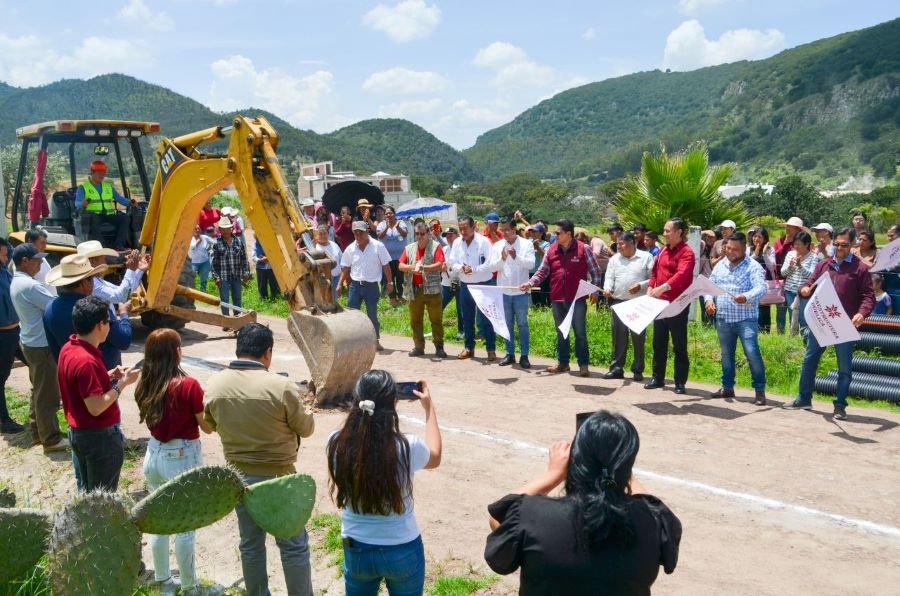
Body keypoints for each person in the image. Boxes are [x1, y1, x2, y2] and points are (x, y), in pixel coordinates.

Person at [485, 410, 681, 595]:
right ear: (629, 461)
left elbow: (497, 518)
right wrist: (620, 470)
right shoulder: (655, 520)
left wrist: (553, 475)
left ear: (575, 459)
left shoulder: (532, 515)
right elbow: (652, 507)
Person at [204, 323, 315, 596]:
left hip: (238, 478)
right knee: (292, 544)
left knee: (250, 544)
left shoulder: (215, 384)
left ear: (238, 348)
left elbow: (209, 424)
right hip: (280, 478)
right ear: (268, 353)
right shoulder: (281, 386)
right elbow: (306, 429)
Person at [327, 370, 441, 595]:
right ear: (393, 402)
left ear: (356, 401)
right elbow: (435, 456)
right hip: (402, 546)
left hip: (356, 545)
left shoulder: (335, 442)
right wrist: (429, 410)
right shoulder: (408, 446)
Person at [135, 328, 214, 595]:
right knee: (185, 525)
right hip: (181, 456)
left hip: (154, 454)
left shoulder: (146, 383)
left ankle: (164, 584)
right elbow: (207, 427)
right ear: (176, 352)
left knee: (159, 522)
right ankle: (191, 588)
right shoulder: (188, 385)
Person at [783, 228, 875, 420]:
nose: (840, 248)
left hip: (844, 325)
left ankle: (840, 406)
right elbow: (808, 283)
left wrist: (862, 313)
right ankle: (803, 398)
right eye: (837, 244)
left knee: (844, 368)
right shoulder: (825, 264)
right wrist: (805, 289)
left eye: (844, 245)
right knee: (809, 360)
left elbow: (869, 297)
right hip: (821, 322)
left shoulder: (861, 269)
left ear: (853, 245)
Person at [58, 295, 140, 491]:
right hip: (98, 438)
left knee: (86, 493)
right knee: (102, 500)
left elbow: (80, 384)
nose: (110, 327)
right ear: (100, 325)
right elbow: (96, 407)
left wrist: (107, 376)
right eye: (109, 322)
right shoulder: (87, 361)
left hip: (79, 433)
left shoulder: (69, 348)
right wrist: (122, 383)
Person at [522, 219, 602, 377]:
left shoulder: (583, 249)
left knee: (580, 333)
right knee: (561, 332)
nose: (555, 235)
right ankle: (563, 363)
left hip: (577, 299)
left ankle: (583, 365)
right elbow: (542, 271)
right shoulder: (552, 250)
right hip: (557, 297)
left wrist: (595, 290)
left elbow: (596, 271)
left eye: (558, 233)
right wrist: (530, 283)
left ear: (568, 234)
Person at [9, 243, 68, 452]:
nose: (40, 263)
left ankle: (37, 431)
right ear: (24, 261)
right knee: (48, 395)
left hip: (30, 341)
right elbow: (55, 305)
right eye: (37, 260)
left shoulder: (19, 282)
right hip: (41, 345)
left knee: (38, 390)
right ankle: (50, 439)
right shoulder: (30, 286)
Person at [704, 232, 768, 405]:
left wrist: (746, 296)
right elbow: (709, 286)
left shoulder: (753, 266)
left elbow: (762, 288)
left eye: (735, 250)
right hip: (723, 317)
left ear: (744, 249)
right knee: (726, 355)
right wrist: (709, 301)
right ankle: (727, 387)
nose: (730, 252)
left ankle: (760, 390)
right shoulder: (720, 265)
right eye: (728, 248)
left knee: (752, 352)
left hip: (746, 319)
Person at [645, 218, 696, 394]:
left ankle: (680, 382)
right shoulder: (662, 250)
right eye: (664, 231)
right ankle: (657, 378)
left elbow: (682, 275)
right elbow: (655, 271)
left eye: (668, 231)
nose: (664, 234)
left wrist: (663, 287)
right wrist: (651, 287)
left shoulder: (687, 252)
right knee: (658, 342)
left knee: (679, 344)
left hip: (677, 305)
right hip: (658, 304)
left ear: (679, 232)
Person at [602, 232, 653, 381]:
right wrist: (607, 288)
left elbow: (653, 278)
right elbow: (609, 276)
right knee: (618, 336)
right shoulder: (614, 259)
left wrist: (641, 285)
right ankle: (617, 368)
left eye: (622, 244)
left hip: (638, 303)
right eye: (618, 244)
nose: (619, 247)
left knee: (638, 336)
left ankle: (638, 370)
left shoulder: (645, 257)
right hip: (618, 301)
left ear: (632, 243)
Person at [447, 216, 497, 360]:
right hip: (466, 285)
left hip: (483, 284)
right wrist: (461, 268)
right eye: (460, 228)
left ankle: (491, 349)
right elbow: (452, 261)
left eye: (465, 228)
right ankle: (469, 348)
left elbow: (490, 264)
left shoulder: (484, 242)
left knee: (486, 318)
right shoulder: (457, 243)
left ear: (473, 227)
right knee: (467, 317)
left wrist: (474, 269)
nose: (463, 231)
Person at [490, 217, 536, 368]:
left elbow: (531, 264)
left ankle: (524, 355)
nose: (504, 233)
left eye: (507, 230)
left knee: (522, 324)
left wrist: (517, 256)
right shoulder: (497, 245)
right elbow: (492, 267)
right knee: (507, 324)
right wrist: (502, 259)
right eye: (502, 230)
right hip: (503, 292)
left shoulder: (526, 244)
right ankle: (510, 354)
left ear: (515, 229)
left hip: (521, 292)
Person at [340, 221, 393, 350]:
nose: (358, 235)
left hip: (371, 286)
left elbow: (386, 265)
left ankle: (375, 341)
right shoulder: (350, 248)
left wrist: (390, 282)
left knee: (372, 315)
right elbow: (346, 267)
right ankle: (353, 341)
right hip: (355, 286)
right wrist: (340, 284)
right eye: (356, 233)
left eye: (361, 232)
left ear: (367, 232)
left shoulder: (378, 246)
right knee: (352, 314)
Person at [398, 220, 446, 358]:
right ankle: (418, 346)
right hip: (414, 289)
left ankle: (439, 346)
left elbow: (439, 264)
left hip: (432, 290)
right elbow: (400, 265)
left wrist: (424, 268)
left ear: (429, 233)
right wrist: (412, 267)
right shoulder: (409, 248)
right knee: (415, 320)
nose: (419, 237)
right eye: (417, 234)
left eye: (422, 234)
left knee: (436, 320)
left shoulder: (436, 246)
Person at [76, 161, 136, 248]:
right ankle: (101, 246)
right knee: (93, 218)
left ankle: (119, 246)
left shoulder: (108, 187)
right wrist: (82, 204)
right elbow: (77, 203)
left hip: (109, 215)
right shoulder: (83, 188)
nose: (102, 176)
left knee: (125, 218)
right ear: (92, 173)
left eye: (103, 174)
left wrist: (130, 202)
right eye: (99, 173)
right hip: (94, 216)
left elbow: (120, 199)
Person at [0, 237, 25, 434]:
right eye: (2, 253)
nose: (6, 256)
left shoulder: (4, 271)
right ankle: (4, 420)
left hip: (14, 332)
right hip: (3, 334)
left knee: (36, 365)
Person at [211, 216, 250, 321]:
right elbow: (213, 262)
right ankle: (226, 321)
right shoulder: (216, 243)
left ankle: (237, 320)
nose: (225, 231)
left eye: (227, 228)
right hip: (223, 277)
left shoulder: (238, 241)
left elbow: (244, 259)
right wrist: (216, 277)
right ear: (220, 230)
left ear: (231, 228)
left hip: (236, 276)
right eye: (222, 229)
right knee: (224, 300)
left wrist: (246, 273)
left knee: (237, 299)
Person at [780, 231, 818, 336]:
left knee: (803, 315)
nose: (796, 246)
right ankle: (794, 336)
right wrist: (790, 267)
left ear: (806, 244)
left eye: (798, 244)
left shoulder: (813, 257)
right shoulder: (790, 254)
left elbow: (812, 276)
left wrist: (800, 266)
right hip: (790, 290)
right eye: (795, 243)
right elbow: (783, 273)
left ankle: (805, 336)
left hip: (804, 292)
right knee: (792, 313)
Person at [773, 217, 804, 334]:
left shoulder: (802, 244)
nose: (787, 229)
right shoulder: (779, 241)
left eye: (790, 227)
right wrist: (784, 244)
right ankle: (780, 332)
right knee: (781, 308)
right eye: (787, 226)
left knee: (794, 309)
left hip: (796, 281)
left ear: (798, 229)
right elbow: (774, 257)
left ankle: (794, 333)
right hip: (781, 279)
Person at [376, 206, 409, 305]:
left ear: (394, 214)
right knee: (388, 279)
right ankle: (393, 299)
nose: (388, 215)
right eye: (386, 214)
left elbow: (405, 234)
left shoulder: (401, 223)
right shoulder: (381, 225)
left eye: (390, 213)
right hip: (387, 258)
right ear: (384, 215)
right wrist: (387, 227)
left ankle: (402, 297)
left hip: (400, 258)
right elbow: (379, 236)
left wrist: (397, 227)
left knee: (400, 278)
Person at [749, 227, 777, 333]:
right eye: (755, 236)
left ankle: (765, 331)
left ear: (765, 239)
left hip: (766, 283)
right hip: (751, 283)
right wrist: (756, 254)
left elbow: (771, 267)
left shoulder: (770, 250)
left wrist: (764, 254)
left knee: (765, 307)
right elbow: (747, 264)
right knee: (752, 307)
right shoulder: (748, 249)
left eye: (759, 237)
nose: (756, 239)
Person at [440, 227, 463, 340]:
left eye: (451, 235)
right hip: (446, 282)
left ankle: (461, 331)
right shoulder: (444, 249)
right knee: (439, 305)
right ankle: (437, 329)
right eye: (446, 236)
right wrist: (441, 267)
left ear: (457, 235)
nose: (448, 238)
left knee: (461, 309)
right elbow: (439, 263)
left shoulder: (462, 249)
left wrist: (448, 267)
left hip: (459, 282)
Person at [311, 224, 342, 303]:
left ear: (328, 234)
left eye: (325, 233)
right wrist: (312, 247)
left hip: (336, 279)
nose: (323, 236)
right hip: (322, 281)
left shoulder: (334, 245)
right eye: (320, 234)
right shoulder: (314, 247)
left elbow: (341, 261)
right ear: (317, 235)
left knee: (334, 302)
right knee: (324, 302)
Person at [23, 228, 56, 295]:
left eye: (45, 243)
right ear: (30, 242)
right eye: (42, 243)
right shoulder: (24, 263)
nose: (45, 246)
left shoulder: (41, 257)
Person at [528, 224, 551, 307]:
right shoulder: (528, 243)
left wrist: (537, 247)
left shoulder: (546, 244)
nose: (533, 233)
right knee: (533, 294)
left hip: (542, 274)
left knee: (542, 294)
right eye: (532, 231)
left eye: (535, 232)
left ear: (541, 233)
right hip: (530, 272)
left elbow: (546, 256)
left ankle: (544, 309)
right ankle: (535, 309)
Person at [189, 225, 214, 291]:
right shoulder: (190, 238)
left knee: (204, 279)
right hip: (193, 262)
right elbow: (192, 247)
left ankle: (203, 292)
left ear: (201, 230)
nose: (197, 230)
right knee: (191, 279)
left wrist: (211, 247)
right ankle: (192, 292)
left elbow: (214, 242)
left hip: (204, 262)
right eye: (195, 229)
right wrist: (198, 241)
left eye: (198, 229)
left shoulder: (204, 237)